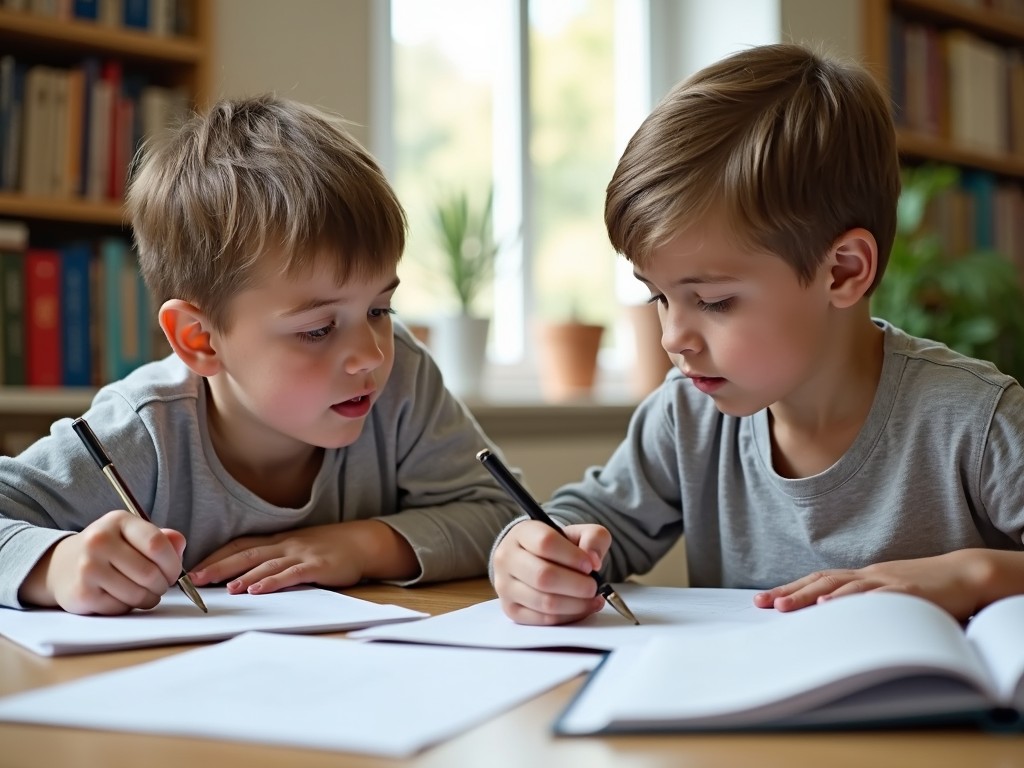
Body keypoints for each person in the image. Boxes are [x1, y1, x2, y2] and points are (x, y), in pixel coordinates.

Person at [491, 43, 1024, 626]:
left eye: (714, 301)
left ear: (842, 271)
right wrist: (529, 552)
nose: (673, 338)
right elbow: (579, 522)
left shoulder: (976, 420)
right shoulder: (686, 419)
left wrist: (978, 574)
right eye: (659, 296)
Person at [0, 95, 521, 615]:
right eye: (319, 329)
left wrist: (358, 546)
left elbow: (505, 515)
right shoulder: (142, 432)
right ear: (199, 339)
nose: (370, 354)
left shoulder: (403, 377)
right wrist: (57, 564)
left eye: (380, 309)